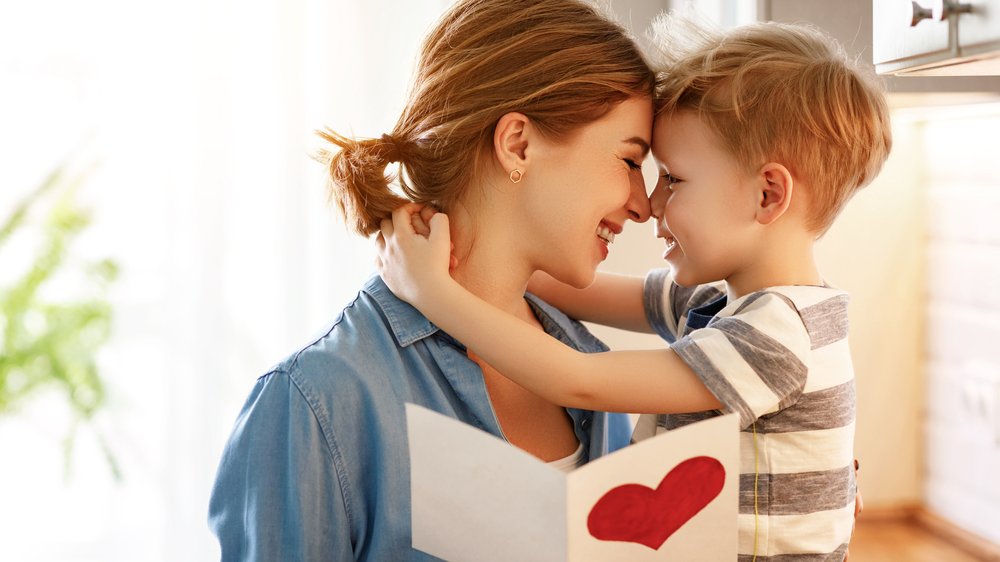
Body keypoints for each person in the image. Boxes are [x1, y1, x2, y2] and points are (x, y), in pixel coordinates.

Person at [376, 16, 891, 561]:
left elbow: (579, 382)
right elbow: (575, 287)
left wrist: (432, 291)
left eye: (673, 178)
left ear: (767, 195)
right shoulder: (719, 308)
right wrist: (471, 239)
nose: (652, 204)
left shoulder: (775, 336)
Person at [207, 0, 658, 559]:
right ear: (518, 143)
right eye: (631, 161)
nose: (643, 206)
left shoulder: (593, 373)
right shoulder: (316, 401)